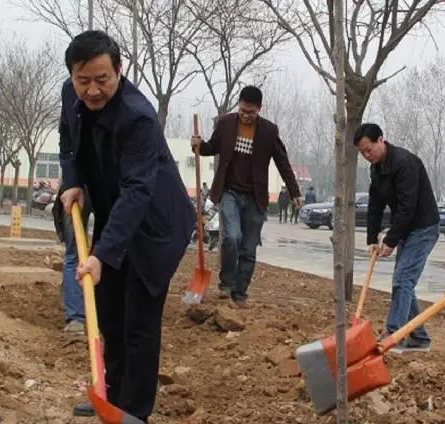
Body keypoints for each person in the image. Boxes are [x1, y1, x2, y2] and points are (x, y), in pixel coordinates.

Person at [58, 30, 195, 422]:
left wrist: (102, 254)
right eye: (84, 81)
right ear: (72, 76)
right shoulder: (72, 95)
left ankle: (133, 412)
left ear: (120, 70)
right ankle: (110, 394)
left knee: (139, 320)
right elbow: (69, 141)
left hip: (155, 225)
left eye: (103, 79)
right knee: (109, 310)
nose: (93, 90)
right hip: (115, 214)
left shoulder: (138, 117)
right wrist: (72, 180)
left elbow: (137, 191)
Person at [191, 85, 301, 306]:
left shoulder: (269, 131)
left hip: (255, 197)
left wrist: (294, 191)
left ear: (259, 108)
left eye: (250, 112)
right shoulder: (226, 123)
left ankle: (240, 293)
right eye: (243, 110)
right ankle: (226, 284)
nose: (246, 115)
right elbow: (212, 147)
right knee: (232, 237)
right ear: (239, 105)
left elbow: (282, 162)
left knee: (248, 248)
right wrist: (198, 146)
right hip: (229, 192)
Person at [354, 123, 440, 353]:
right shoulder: (376, 169)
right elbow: (375, 204)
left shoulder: (404, 163)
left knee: (403, 280)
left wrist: (391, 240)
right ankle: (419, 338)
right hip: (406, 228)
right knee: (403, 282)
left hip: (423, 227)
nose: (366, 155)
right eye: (362, 153)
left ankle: (394, 335)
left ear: (381, 140)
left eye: (368, 149)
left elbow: (407, 207)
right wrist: (372, 237)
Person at [52, 193, 92, 335]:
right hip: (81, 189)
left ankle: (76, 319)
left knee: (74, 255)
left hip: (76, 187)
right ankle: (77, 317)